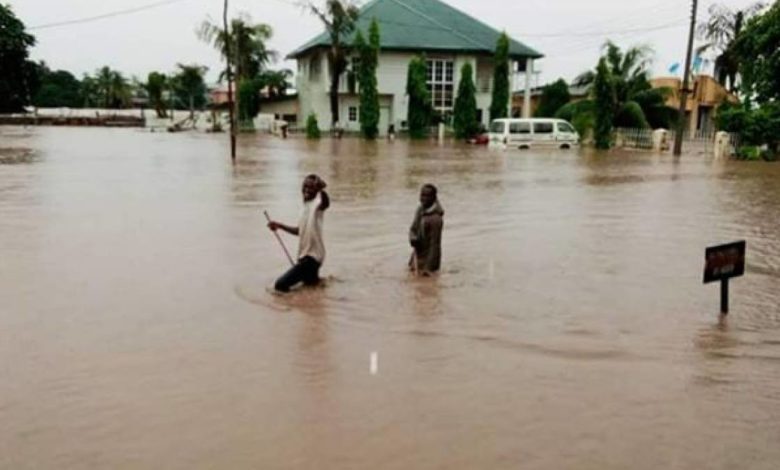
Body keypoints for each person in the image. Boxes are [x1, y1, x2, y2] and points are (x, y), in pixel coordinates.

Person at [267, 175, 330, 292]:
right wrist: (279, 226)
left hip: (312, 258)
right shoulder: (304, 208)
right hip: (306, 258)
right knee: (310, 288)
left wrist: (322, 190)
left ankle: (291, 308)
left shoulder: (317, 205)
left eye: (310, 188)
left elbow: (326, 204)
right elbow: (299, 231)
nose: (306, 190)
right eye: (305, 187)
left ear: (316, 191)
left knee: (280, 285)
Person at [409, 184, 444, 275]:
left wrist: (428, 269)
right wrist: (412, 237)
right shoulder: (420, 210)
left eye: (426, 196)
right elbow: (413, 228)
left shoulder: (436, 219)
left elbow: (435, 246)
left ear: (433, 197)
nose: (423, 198)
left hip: (429, 261)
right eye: (422, 195)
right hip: (416, 256)